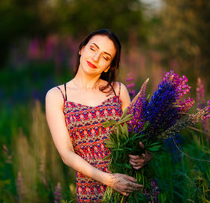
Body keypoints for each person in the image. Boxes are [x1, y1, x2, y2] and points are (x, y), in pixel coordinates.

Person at [45, 29, 152, 202]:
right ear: (81, 49)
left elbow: (136, 137)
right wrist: (109, 180)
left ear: (109, 66)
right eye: (93, 49)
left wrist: (146, 155)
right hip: (92, 190)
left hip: (132, 184)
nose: (95, 58)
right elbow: (66, 154)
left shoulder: (118, 90)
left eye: (105, 57)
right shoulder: (57, 95)